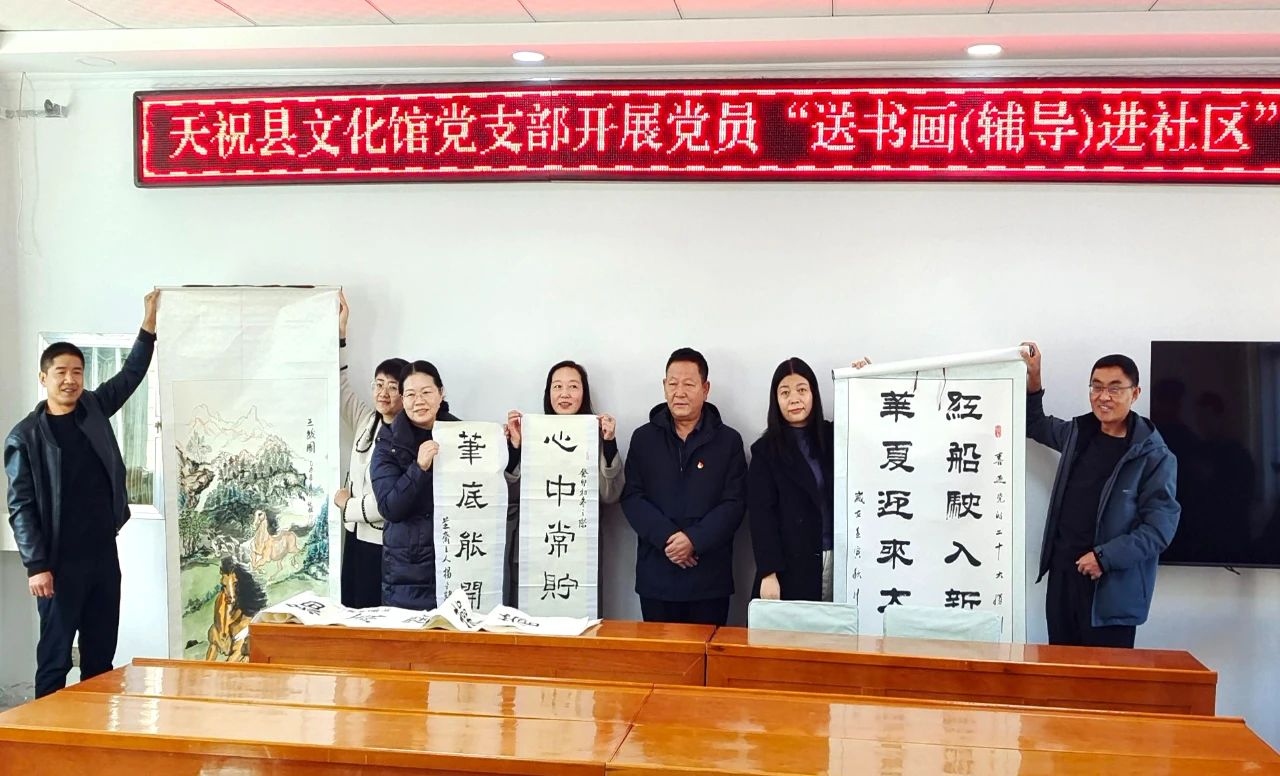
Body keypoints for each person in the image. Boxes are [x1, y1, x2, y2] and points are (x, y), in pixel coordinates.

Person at [5, 291, 159, 697]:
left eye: (77, 371)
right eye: (61, 372)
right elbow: (20, 508)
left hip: (102, 556)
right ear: (44, 378)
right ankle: (45, 732)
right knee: (55, 658)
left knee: (100, 658)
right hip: (57, 564)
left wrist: (148, 325)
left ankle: (92, 730)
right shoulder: (24, 437)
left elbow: (130, 375)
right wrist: (36, 565)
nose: (70, 379)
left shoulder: (92, 409)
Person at [1023, 342, 1180, 648]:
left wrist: (1103, 558)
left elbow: (1159, 530)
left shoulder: (1154, 456)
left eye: (1115, 388)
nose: (1103, 396)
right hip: (1064, 581)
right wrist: (1035, 376)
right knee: (1061, 670)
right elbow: (1035, 424)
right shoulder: (1077, 435)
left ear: (1135, 393)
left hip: (1111, 591)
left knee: (1105, 677)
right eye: (1096, 387)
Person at [621, 347, 746, 626]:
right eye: (673, 384)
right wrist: (669, 538)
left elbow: (735, 503)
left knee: (707, 653)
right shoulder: (643, 438)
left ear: (705, 389)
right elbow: (632, 497)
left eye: (689, 384)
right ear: (664, 386)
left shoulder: (728, 441)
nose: (679, 392)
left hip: (709, 578)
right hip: (657, 575)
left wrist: (693, 540)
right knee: (660, 653)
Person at [503, 360, 625, 606]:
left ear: (584, 393)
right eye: (557, 386)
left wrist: (609, 443)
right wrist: (515, 447)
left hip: (579, 552)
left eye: (573, 386)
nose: (565, 394)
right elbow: (508, 496)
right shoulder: (530, 434)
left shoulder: (597, 434)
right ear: (548, 393)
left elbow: (610, 495)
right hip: (534, 550)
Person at [335, 291, 407, 608]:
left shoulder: (411, 436)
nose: (383, 393)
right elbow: (339, 386)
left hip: (386, 543)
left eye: (393, 387)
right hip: (355, 536)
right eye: (379, 384)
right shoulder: (366, 419)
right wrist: (341, 333)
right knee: (350, 609)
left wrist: (346, 505)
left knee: (376, 615)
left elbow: (391, 502)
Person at [369, 360, 459, 610]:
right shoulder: (387, 444)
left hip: (459, 559)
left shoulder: (463, 435)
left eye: (426, 392)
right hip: (409, 574)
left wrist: (511, 449)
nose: (419, 401)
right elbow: (390, 508)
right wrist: (419, 468)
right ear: (402, 398)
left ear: (441, 393)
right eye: (410, 394)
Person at [747, 358, 835, 603]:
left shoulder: (835, 437)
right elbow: (761, 517)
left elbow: (872, 428)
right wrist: (768, 572)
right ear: (775, 400)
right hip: (791, 566)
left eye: (802, 390)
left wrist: (864, 378)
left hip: (841, 560)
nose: (794, 399)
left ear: (814, 394)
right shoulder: (765, 451)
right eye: (785, 392)